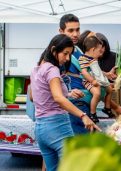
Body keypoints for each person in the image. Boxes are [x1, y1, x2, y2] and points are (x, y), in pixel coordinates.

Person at [30, 34, 101, 171]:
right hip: (57, 127)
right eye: (65, 53)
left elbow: (35, 96)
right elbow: (58, 98)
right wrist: (83, 115)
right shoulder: (52, 69)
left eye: (69, 54)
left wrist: (67, 94)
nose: (67, 58)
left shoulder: (36, 69)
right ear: (53, 50)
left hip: (41, 128)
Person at [59, 14, 121, 134]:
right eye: (70, 30)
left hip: (84, 103)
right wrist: (68, 93)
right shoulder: (59, 54)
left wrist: (105, 74)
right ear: (61, 31)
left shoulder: (78, 51)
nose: (75, 34)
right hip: (75, 104)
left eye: (77, 29)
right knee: (82, 144)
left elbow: (90, 77)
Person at [79, 35, 114, 123]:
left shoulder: (94, 59)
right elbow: (84, 72)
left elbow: (98, 71)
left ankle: (107, 107)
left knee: (109, 89)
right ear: (93, 49)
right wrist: (92, 81)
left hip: (96, 80)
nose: (100, 53)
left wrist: (106, 75)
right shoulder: (83, 58)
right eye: (99, 51)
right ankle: (93, 113)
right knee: (97, 93)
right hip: (88, 81)